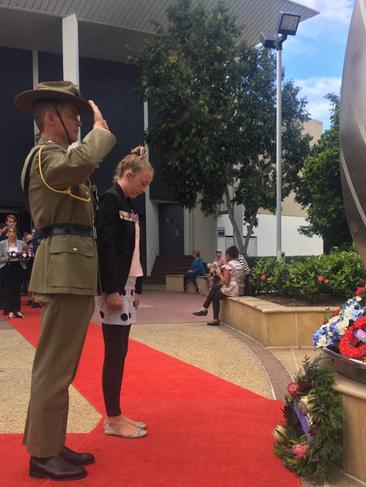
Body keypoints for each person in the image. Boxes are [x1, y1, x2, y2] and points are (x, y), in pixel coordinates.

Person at [15, 81, 116, 481]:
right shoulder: (45, 155)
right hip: (62, 268)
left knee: (62, 367)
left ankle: (51, 443)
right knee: (54, 368)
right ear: (50, 118)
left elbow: (80, 168)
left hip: (71, 268)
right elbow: (75, 166)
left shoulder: (60, 157)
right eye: (72, 114)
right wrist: (100, 133)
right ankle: (42, 454)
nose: (78, 120)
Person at [96, 146, 154, 439]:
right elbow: (106, 248)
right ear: (128, 176)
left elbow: (134, 249)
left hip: (128, 283)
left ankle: (117, 413)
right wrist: (112, 290)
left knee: (121, 351)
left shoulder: (129, 205)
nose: (143, 190)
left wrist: (137, 286)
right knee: (115, 352)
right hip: (115, 286)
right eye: (142, 183)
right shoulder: (110, 199)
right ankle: (113, 418)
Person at [192, 245, 245, 326]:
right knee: (215, 291)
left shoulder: (229, 266)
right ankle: (208, 312)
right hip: (240, 289)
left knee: (214, 293)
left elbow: (225, 282)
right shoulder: (239, 264)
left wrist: (219, 274)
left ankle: (207, 311)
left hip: (232, 290)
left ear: (228, 255)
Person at [0, 226, 27, 318]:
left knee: (17, 288)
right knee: (8, 289)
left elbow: (26, 256)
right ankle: (9, 310)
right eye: (10, 232)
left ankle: (18, 310)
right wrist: (8, 257)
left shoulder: (22, 243)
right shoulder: (2, 244)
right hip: (7, 267)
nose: (12, 233)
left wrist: (23, 256)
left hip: (18, 267)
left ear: (16, 234)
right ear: (7, 233)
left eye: (13, 232)